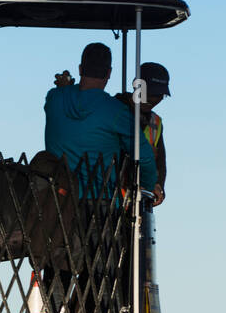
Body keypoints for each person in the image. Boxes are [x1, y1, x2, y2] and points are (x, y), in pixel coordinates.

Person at [44, 42, 158, 197]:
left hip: (55, 199)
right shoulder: (117, 111)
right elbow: (145, 158)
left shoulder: (53, 98)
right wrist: (149, 186)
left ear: (80, 69)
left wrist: (65, 88)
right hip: (98, 207)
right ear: (109, 73)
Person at [115, 61, 169, 206]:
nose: (152, 99)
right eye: (149, 92)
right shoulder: (114, 110)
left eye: (159, 95)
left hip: (139, 206)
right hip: (111, 202)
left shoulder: (156, 123)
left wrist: (158, 185)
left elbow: (160, 164)